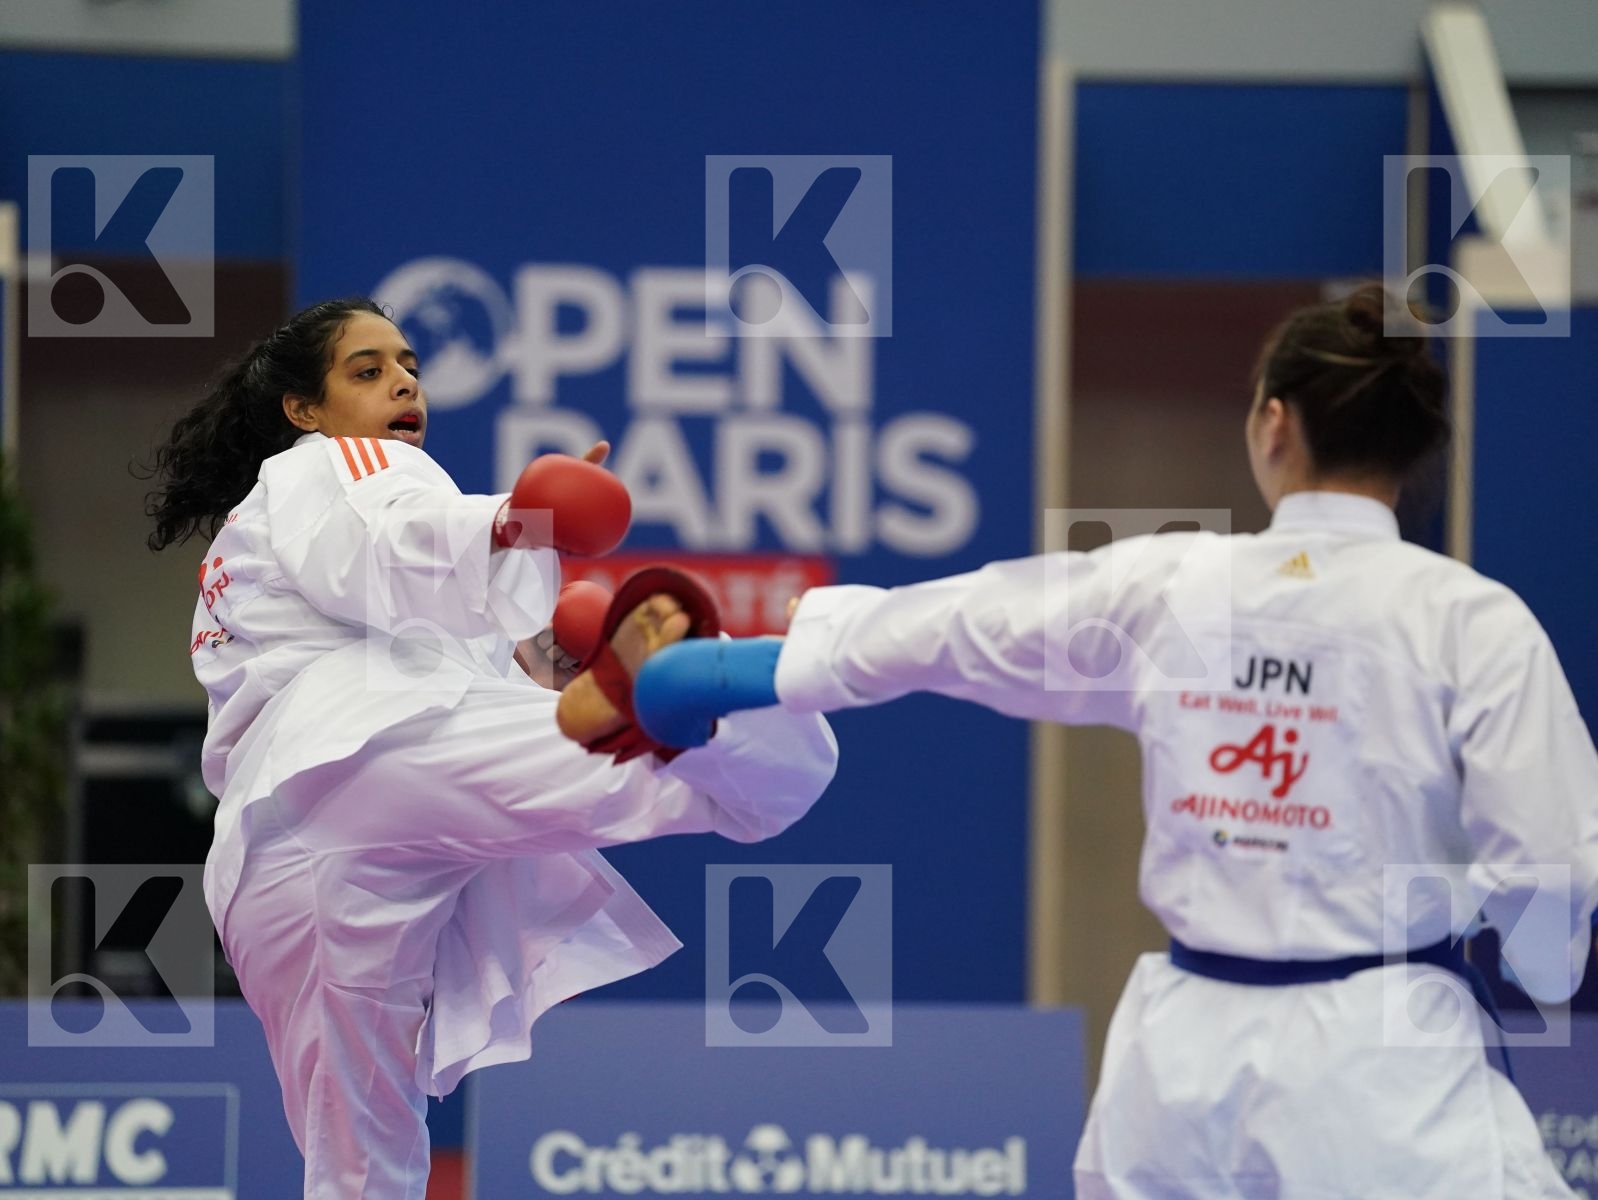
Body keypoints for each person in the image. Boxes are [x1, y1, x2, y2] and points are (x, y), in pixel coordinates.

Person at [578, 284, 1598, 1198]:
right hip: (1382, 1068)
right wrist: (1543, 972)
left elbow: (964, 628)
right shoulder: (1468, 620)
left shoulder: (1175, 582)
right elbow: (1550, 867)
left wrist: (755, 667)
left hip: (1180, 1065)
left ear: (1272, 423)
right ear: (1414, 449)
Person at [143, 296, 838, 1199]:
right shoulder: (338, 464)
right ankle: (713, 686)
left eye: (410, 368)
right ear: (303, 410)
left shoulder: (262, 537)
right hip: (365, 763)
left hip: (273, 870)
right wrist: (511, 521)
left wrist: (540, 660)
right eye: (367, 370)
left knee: (360, 1170)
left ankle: (654, 697)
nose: (403, 384)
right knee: (768, 772)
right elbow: (390, 536)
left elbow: (408, 624)